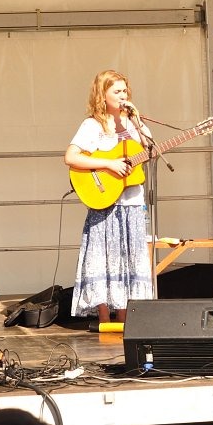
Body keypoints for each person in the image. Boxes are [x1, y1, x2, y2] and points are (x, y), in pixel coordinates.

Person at [65, 69, 154, 324]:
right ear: (102, 95)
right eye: (117, 91)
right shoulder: (93, 125)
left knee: (127, 259)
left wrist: (137, 121)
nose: (123, 95)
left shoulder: (134, 124)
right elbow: (71, 157)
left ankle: (125, 319)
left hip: (132, 203)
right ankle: (104, 318)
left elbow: (151, 150)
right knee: (102, 258)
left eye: (125, 90)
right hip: (105, 201)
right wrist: (109, 164)